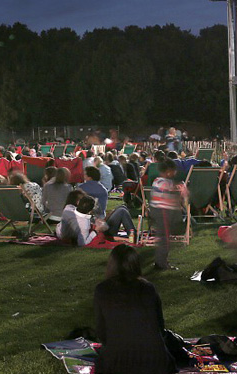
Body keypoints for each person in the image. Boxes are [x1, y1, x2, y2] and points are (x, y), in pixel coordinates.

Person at [93, 244, 174, 374]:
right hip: (156, 363)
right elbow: (160, 326)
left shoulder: (102, 290)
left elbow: (101, 332)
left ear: (112, 265)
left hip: (119, 363)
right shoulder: (148, 288)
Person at [151, 160, 187, 270]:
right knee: (164, 238)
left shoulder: (157, 181)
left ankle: (160, 261)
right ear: (168, 172)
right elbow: (174, 195)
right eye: (173, 171)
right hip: (163, 212)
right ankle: (162, 263)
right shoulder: (165, 183)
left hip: (159, 211)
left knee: (163, 237)